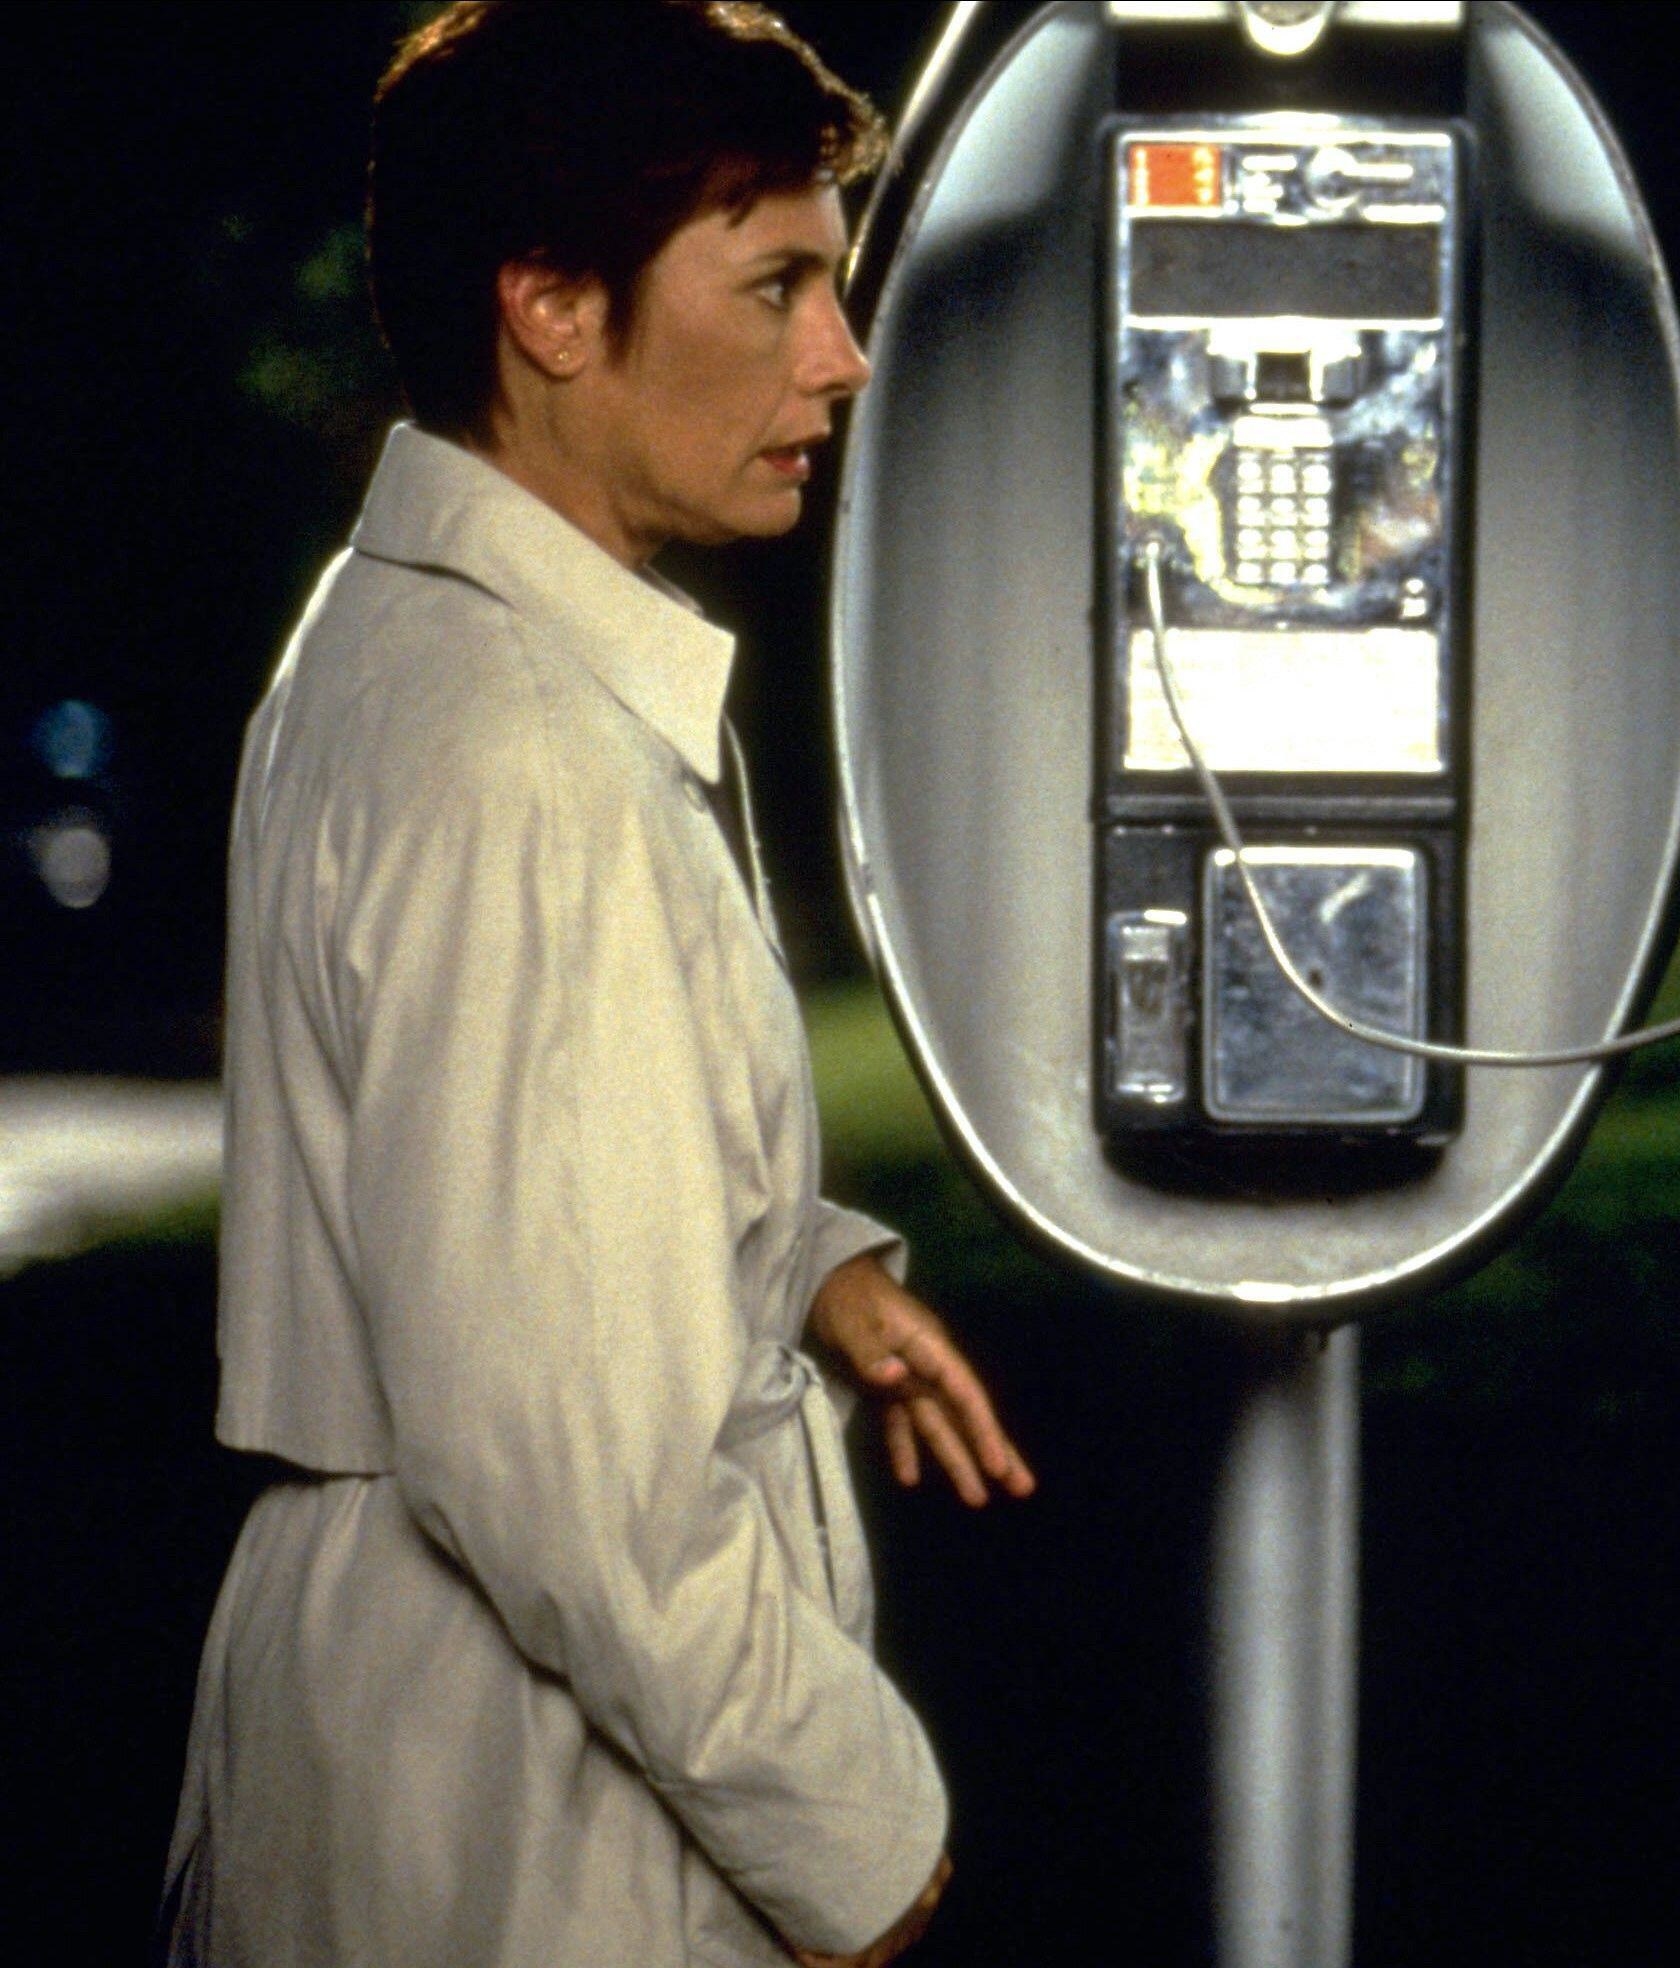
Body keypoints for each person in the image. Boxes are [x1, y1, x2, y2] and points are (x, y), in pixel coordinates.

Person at [162, 8, 1032, 1964]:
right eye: (779, 284)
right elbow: (566, 1483)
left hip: (416, 1744)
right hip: (525, 1821)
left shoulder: (407, 644)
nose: (843, 355)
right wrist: (863, 1842)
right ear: (551, 308)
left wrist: (791, 1257)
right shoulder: (521, 762)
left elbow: (490, 1217)